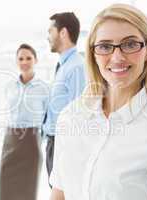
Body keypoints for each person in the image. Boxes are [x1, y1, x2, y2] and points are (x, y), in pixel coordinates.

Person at [50, 4, 147, 200]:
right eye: (105, 46)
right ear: (93, 54)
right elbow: (59, 194)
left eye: (130, 44)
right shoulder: (70, 118)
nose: (117, 57)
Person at [0, 44, 49, 200]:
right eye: (21, 58)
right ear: (16, 61)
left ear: (36, 60)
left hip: (31, 142)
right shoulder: (10, 86)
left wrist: (41, 139)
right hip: (10, 139)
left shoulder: (44, 87)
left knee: (28, 189)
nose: (24, 62)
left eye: (28, 58)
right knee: (5, 185)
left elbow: (48, 118)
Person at [42, 12, 86, 188]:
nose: (48, 37)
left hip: (64, 146)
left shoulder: (76, 67)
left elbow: (79, 115)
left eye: (50, 31)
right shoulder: (64, 65)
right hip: (55, 143)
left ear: (63, 32)